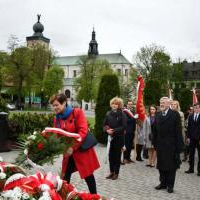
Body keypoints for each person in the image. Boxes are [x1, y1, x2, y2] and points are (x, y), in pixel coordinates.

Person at [50, 94, 100, 194]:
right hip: (68, 153)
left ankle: (94, 196)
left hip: (81, 150)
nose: (54, 108)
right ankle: (63, 196)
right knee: (65, 177)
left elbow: (83, 131)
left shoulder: (77, 112)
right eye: (53, 105)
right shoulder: (57, 118)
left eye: (56, 105)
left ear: (64, 103)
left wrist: (73, 147)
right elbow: (57, 135)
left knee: (88, 176)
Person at [153, 97, 183, 193]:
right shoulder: (157, 115)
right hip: (160, 145)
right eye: (160, 102)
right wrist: (154, 143)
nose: (161, 104)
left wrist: (179, 146)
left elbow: (178, 132)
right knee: (161, 165)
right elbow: (155, 131)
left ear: (168, 103)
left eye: (163, 102)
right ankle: (163, 183)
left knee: (170, 166)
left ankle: (170, 185)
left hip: (171, 145)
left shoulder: (175, 115)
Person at [103, 97, 127, 180]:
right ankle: (111, 172)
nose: (114, 105)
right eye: (113, 104)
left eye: (116, 104)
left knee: (117, 156)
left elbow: (124, 126)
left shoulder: (122, 114)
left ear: (119, 105)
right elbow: (104, 124)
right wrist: (107, 130)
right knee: (110, 156)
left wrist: (114, 131)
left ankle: (116, 173)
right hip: (110, 138)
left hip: (118, 137)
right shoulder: (108, 113)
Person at [185, 103, 200, 176]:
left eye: (197, 108)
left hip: (199, 138)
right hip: (191, 138)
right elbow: (189, 128)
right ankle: (191, 169)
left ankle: (199, 171)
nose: (196, 109)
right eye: (195, 108)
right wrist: (188, 137)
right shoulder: (190, 116)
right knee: (191, 154)